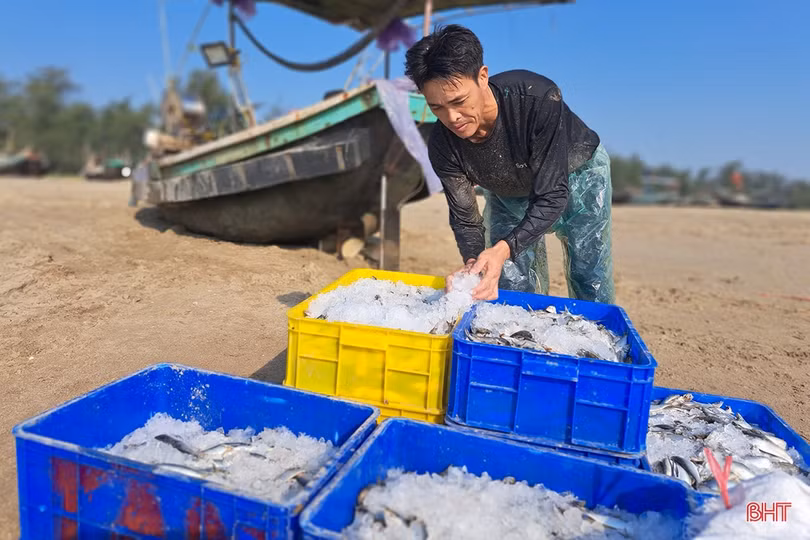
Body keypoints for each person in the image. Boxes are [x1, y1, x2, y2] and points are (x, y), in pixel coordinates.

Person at [404, 25, 615, 304]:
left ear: (482, 77)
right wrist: (473, 266)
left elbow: (552, 195)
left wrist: (503, 249)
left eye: (459, 101)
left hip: (577, 175)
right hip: (508, 191)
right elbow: (465, 218)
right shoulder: (444, 147)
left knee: (589, 275)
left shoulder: (537, 99)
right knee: (513, 284)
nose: (452, 117)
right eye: (437, 107)